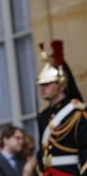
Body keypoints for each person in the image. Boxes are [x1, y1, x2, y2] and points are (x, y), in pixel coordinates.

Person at [35, 40, 87, 175]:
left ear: (61, 84)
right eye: (41, 84)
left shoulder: (77, 112)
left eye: (47, 83)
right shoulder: (43, 115)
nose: (42, 88)